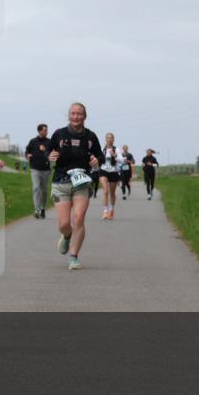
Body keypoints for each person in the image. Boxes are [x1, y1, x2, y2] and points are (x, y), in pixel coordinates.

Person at [48, 103, 104, 270]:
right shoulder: (59, 134)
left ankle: (73, 257)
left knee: (79, 218)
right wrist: (49, 156)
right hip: (61, 182)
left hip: (82, 183)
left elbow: (100, 155)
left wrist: (97, 160)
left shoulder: (90, 136)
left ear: (84, 116)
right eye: (73, 113)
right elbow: (47, 152)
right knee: (64, 224)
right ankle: (67, 236)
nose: (76, 117)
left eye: (79, 114)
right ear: (68, 115)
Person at [25, 123, 53, 219]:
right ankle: (37, 209)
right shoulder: (33, 141)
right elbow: (27, 151)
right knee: (36, 188)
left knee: (44, 190)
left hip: (46, 170)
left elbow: (52, 154)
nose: (46, 132)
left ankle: (43, 208)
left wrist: (45, 150)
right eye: (45, 130)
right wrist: (27, 155)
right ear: (39, 131)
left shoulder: (49, 142)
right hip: (35, 169)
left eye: (47, 130)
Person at [99, 132, 120, 220]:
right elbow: (98, 158)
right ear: (105, 139)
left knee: (112, 192)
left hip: (113, 171)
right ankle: (105, 211)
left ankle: (111, 209)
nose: (109, 139)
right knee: (105, 190)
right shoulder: (102, 149)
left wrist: (114, 155)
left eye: (111, 138)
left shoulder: (116, 149)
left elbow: (121, 160)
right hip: (103, 170)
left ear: (113, 139)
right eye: (108, 138)